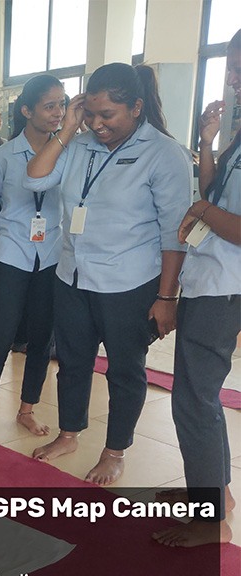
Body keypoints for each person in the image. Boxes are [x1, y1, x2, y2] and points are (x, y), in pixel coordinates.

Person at [26, 63, 192, 485]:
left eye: (108, 115)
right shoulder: (79, 144)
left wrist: (167, 297)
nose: (97, 124)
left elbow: (175, 235)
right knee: (72, 362)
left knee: (124, 370)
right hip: (72, 276)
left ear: (136, 107)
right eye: (91, 113)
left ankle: (115, 451)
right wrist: (69, 127)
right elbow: (36, 177)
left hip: (128, 283)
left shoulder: (164, 153)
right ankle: (69, 434)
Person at [154, 29, 241, 548]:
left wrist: (201, 210)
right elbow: (213, 189)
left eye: (240, 69)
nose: (233, 79)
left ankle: (212, 521)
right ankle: (216, 493)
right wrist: (207, 142)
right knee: (197, 393)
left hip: (226, 286)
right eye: (231, 68)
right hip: (210, 277)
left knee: (194, 397)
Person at [0, 75, 66, 438]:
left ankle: (27, 409)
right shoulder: (3, 156)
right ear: (27, 111)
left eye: (62, 105)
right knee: (1, 332)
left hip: (52, 254)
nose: (58, 113)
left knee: (42, 337)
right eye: (49, 106)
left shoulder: (67, 152)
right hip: (11, 254)